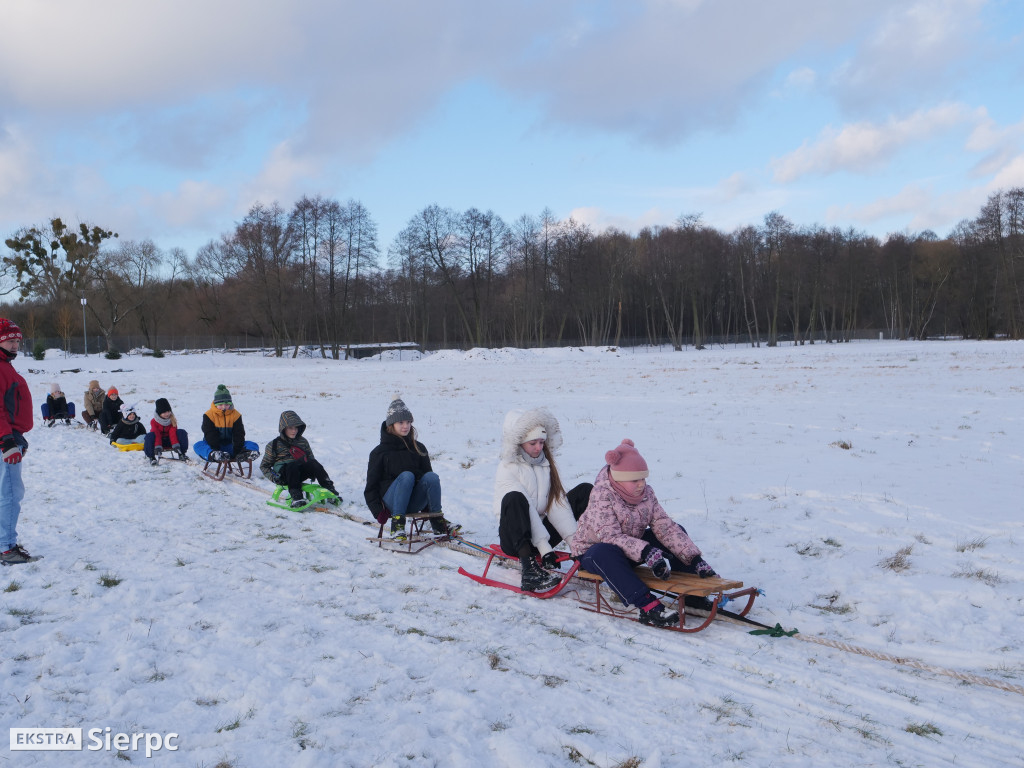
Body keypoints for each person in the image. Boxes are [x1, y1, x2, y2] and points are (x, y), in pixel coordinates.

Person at [570, 439, 718, 629]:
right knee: (603, 551)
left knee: (676, 530)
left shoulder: (647, 493)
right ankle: (646, 603)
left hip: (632, 549)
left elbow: (665, 526)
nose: (641, 484)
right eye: (635, 480)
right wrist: (646, 551)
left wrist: (693, 558)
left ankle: (692, 596)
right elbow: (610, 537)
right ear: (619, 479)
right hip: (594, 554)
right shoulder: (601, 494)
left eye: (643, 478)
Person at [494, 408, 592, 592]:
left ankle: (590, 551)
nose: (539, 448)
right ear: (520, 443)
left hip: (540, 533)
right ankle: (529, 571)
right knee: (514, 498)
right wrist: (545, 549)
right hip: (515, 538)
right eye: (533, 443)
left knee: (585, 491)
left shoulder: (544, 463)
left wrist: (575, 545)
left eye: (541, 442)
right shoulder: (507, 467)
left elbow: (557, 505)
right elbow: (527, 508)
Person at [364, 396, 457, 543]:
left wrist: (427, 510)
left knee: (432, 477)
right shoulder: (379, 452)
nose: (405, 426)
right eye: (401, 422)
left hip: (413, 500)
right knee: (406, 476)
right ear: (391, 424)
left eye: (408, 422)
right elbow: (371, 487)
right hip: (391, 501)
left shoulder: (419, 448)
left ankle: (438, 522)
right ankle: (398, 526)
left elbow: (428, 483)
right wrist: (378, 511)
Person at [0, 319, 37, 565]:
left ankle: (5, 542)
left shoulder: (6, 366)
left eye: (17, 341)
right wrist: (7, 441)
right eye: (10, 341)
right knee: (11, 494)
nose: (15, 346)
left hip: (13, 437)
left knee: (7, 492)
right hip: (6, 440)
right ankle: (6, 548)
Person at [260, 410, 340, 508]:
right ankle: (296, 497)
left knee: (313, 462)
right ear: (283, 428)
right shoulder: (273, 445)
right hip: (283, 475)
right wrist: (274, 477)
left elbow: (310, 459)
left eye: (296, 428)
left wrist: (313, 469)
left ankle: (329, 489)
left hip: (299, 472)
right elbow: (264, 466)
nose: (294, 431)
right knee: (292, 465)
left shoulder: (302, 441)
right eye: (290, 428)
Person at [194, 384, 258, 462]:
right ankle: (213, 455)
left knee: (253, 444)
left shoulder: (236, 415)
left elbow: (239, 434)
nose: (224, 407)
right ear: (215, 404)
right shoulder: (208, 415)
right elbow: (210, 434)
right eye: (220, 405)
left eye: (227, 404)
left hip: (230, 446)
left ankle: (247, 454)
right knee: (198, 445)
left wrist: (236, 451)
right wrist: (216, 450)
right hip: (213, 446)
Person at [144, 397, 189, 465]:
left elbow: (172, 433)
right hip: (157, 443)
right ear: (159, 413)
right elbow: (157, 434)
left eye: (168, 411)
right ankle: (152, 457)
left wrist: (176, 445)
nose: (167, 414)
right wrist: (158, 447)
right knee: (149, 436)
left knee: (181, 432)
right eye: (164, 412)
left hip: (170, 441)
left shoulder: (172, 419)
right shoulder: (154, 421)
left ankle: (181, 453)